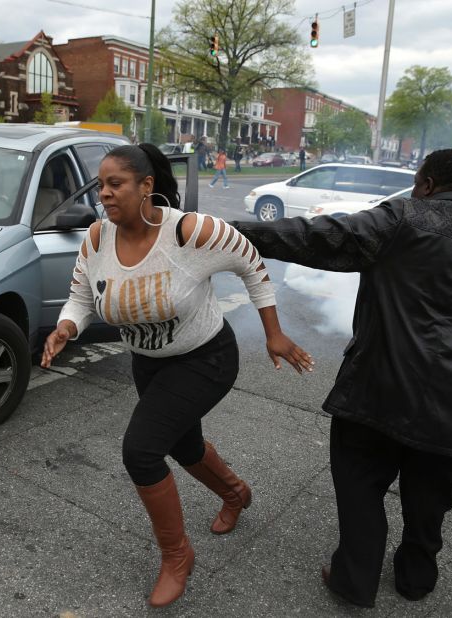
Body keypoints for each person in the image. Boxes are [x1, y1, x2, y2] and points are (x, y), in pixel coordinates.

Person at [232, 149, 452, 608]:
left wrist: (228, 232)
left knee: (361, 489)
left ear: (425, 183)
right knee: (430, 499)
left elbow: (317, 237)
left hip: (375, 392)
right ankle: (415, 578)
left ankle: (354, 580)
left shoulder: (401, 219)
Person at [41, 144, 314, 608]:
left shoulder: (189, 231)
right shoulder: (95, 239)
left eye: (116, 184)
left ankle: (177, 556)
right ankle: (235, 493)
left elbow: (250, 261)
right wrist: (67, 325)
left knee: (142, 451)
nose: (104, 194)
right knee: (182, 444)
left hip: (205, 358)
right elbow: (82, 296)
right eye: (101, 185)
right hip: (148, 362)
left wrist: (274, 333)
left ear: (146, 187)